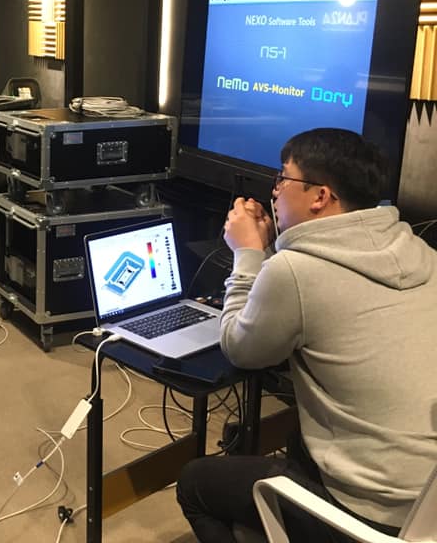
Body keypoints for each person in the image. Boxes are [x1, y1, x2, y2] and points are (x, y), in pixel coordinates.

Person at [176, 127, 437, 542]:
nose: (275, 191)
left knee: (195, 484)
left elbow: (240, 347)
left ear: (320, 196)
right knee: (298, 439)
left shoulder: (295, 272)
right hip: (427, 508)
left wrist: (247, 254)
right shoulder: (423, 253)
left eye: (283, 179)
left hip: (373, 513)